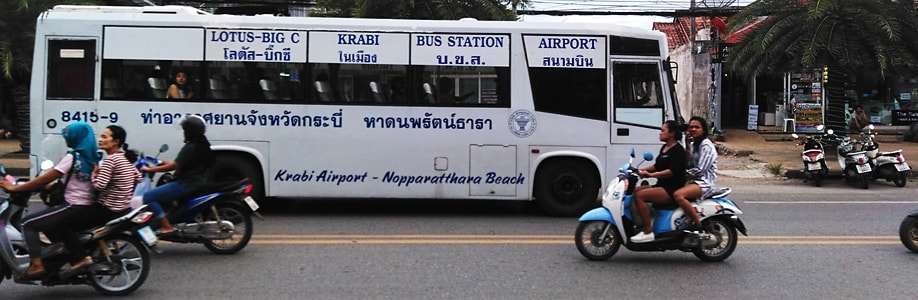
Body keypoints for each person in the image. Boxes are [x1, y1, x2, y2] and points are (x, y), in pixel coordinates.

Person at [0, 122, 102, 280]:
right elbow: (66, 180)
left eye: (68, 136)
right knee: (47, 222)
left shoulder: (72, 156)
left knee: (28, 223)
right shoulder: (94, 157)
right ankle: (59, 259)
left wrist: (16, 188)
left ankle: (36, 266)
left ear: (76, 137)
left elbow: (48, 177)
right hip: (84, 205)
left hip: (73, 205)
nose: (66, 138)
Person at [141, 114, 215, 234]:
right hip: (197, 181)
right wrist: (165, 163)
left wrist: (150, 169)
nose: (183, 133)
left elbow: (175, 166)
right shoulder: (202, 144)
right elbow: (188, 165)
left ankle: (166, 225)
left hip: (186, 184)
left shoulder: (190, 147)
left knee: (148, 196)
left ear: (189, 131)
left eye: (185, 130)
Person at [630, 120, 687, 243]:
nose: (660, 133)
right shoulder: (665, 147)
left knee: (640, 196)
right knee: (633, 191)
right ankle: (643, 222)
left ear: (671, 133)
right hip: (662, 185)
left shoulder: (678, 150)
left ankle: (647, 231)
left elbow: (671, 171)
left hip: (672, 188)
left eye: (662, 130)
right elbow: (657, 166)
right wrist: (639, 170)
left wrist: (650, 175)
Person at [673, 116, 717, 229]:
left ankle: (697, 223)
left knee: (678, 195)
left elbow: (700, 169)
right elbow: (688, 164)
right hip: (695, 180)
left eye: (696, 127)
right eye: (691, 127)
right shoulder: (694, 144)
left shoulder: (706, 145)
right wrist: (687, 146)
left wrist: (683, 174)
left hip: (705, 182)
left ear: (703, 130)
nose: (693, 129)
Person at [91, 125, 142, 221]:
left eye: (104, 137)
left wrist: (94, 174)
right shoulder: (125, 158)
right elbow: (138, 177)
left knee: (64, 225)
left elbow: (99, 186)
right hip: (124, 207)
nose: (99, 140)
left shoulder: (110, 160)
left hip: (108, 208)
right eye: (100, 136)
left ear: (116, 142)